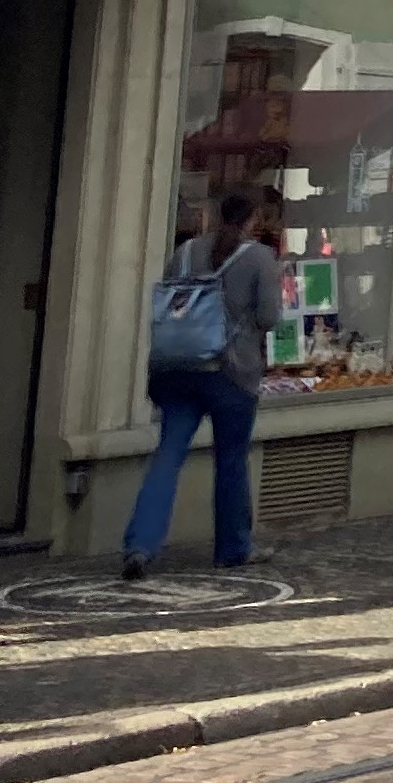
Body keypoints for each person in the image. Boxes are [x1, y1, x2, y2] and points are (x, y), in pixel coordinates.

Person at [121, 189, 284, 580]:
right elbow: (268, 318)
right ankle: (233, 548)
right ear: (252, 221)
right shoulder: (260, 258)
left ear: (216, 216)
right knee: (230, 461)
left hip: (176, 368)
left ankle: (140, 545)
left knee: (167, 456)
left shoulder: (186, 251)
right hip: (231, 372)